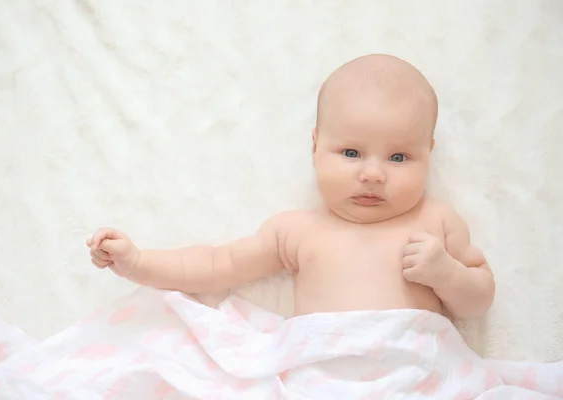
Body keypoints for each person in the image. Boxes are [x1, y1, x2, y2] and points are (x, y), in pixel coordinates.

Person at [86, 54, 495, 321]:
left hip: (416, 374)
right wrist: (138, 262)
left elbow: (477, 305)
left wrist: (447, 274)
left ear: (429, 152)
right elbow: (216, 266)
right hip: (318, 374)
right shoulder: (298, 231)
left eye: (399, 157)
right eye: (351, 152)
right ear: (315, 146)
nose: (373, 174)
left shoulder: (435, 222)